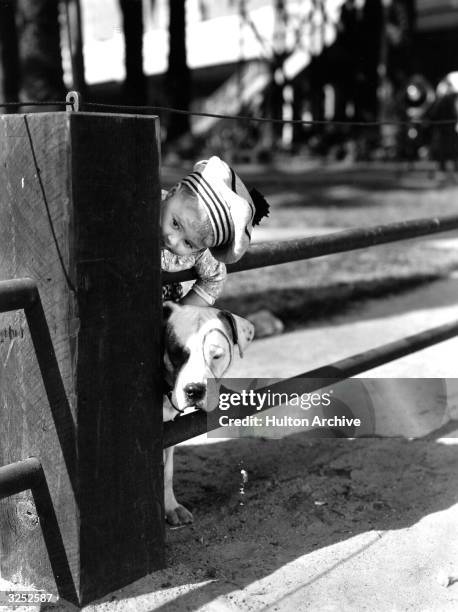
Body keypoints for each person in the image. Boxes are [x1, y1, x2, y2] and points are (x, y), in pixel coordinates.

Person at [161, 156, 270, 305]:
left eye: (188, 243)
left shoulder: (200, 254)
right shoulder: (139, 205)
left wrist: (178, 312)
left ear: (201, 249)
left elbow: (214, 279)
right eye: (175, 224)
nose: (171, 240)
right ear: (172, 193)